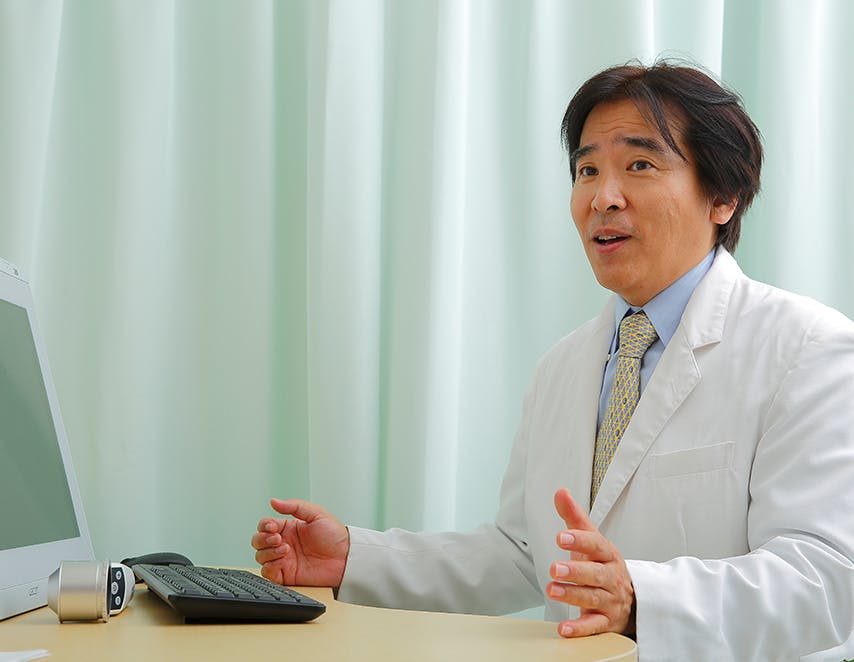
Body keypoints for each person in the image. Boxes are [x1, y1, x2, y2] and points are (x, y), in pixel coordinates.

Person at [251, 62, 854, 660]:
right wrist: (354, 558)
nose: (603, 197)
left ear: (723, 196)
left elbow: (825, 577)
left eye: (639, 165)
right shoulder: (563, 367)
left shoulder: (808, 348)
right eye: (587, 170)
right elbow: (521, 553)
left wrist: (641, 597)